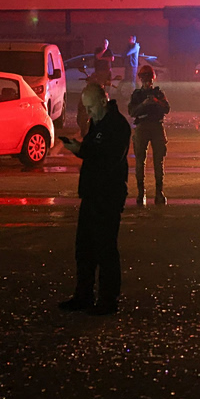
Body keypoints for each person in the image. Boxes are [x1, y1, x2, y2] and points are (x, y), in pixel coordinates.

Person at [59, 83, 132, 315]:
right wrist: (80, 149)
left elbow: (109, 159)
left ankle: (108, 301)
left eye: (90, 107)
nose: (87, 113)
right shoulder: (99, 122)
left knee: (105, 248)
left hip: (108, 196)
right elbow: (95, 153)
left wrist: (83, 150)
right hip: (92, 193)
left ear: (103, 102)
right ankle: (84, 296)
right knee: (84, 248)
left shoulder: (118, 126)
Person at [128, 64, 171, 205]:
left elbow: (166, 109)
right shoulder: (137, 95)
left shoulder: (158, 93)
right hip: (142, 126)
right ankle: (141, 194)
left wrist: (156, 101)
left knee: (159, 162)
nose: (147, 82)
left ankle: (159, 193)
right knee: (140, 162)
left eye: (149, 79)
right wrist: (144, 104)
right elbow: (132, 112)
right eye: (144, 78)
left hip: (157, 126)